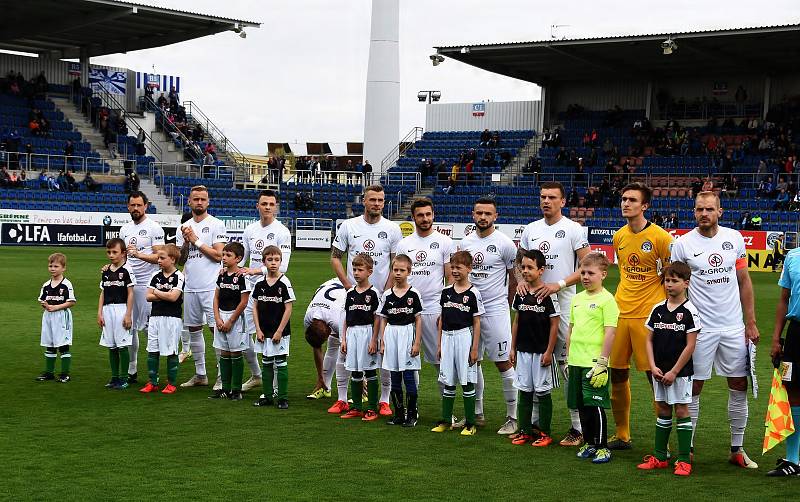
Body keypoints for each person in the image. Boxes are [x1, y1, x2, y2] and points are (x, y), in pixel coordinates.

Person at [670, 191, 760, 469]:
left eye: (710, 209)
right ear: (694, 212)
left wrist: (751, 321)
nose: (704, 213)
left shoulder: (734, 239)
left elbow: (744, 280)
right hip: (699, 329)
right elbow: (675, 288)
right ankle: (689, 448)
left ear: (720, 211)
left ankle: (737, 449)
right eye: (699, 209)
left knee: (738, 385)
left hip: (733, 327)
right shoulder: (682, 244)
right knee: (693, 386)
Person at [517, 181, 591, 445]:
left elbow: (588, 266)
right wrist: (522, 280)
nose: (546, 201)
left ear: (563, 201)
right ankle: (535, 426)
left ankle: (579, 427)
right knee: (536, 360)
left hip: (565, 304)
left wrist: (557, 285)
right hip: (534, 307)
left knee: (567, 365)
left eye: (552, 197)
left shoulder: (573, 229)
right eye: (543, 196)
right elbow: (520, 262)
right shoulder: (531, 229)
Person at [609, 183, 673, 450]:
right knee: (616, 374)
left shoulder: (661, 238)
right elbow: (625, 272)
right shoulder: (619, 236)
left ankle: (664, 442)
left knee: (654, 377)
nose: (626, 203)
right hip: (620, 313)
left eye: (632, 200)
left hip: (649, 318)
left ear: (645, 206)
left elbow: (670, 276)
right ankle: (622, 434)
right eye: (623, 199)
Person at [331, 184, 402, 415]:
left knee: (382, 350)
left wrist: (387, 293)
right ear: (364, 201)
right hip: (353, 298)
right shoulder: (349, 226)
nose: (377, 204)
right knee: (345, 348)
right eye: (373, 200)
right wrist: (349, 286)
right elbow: (335, 258)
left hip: (382, 298)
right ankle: (343, 398)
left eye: (381, 200)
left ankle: (383, 400)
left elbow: (395, 263)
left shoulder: (392, 229)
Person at [458, 197, 519, 434]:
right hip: (470, 310)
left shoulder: (504, 244)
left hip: (495, 310)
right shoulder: (465, 242)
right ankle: (477, 413)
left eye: (488, 214)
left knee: (503, 362)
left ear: (496, 216)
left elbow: (514, 276)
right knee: (473, 360)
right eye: (479, 213)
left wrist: (515, 306)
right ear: (473, 214)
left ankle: (513, 417)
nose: (483, 217)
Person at [637, 262, 700, 476]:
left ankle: (684, 460)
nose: (669, 285)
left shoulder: (690, 311)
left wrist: (674, 371)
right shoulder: (658, 309)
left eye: (674, 281)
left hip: (679, 372)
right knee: (663, 409)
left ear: (686, 283)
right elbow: (648, 339)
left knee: (681, 409)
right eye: (667, 280)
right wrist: (652, 365)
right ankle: (660, 456)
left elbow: (691, 344)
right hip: (659, 371)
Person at [396, 198, 456, 395]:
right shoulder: (404, 244)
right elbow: (398, 275)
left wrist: (447, 308)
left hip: (433, 308)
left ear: (433, 215)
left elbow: (450, 277)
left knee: (440, 361)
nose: (425, 218)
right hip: (407, 309)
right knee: (408, 360)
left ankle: (448, 412)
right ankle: (412, 406)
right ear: (413, 217)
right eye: (420, 215)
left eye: (428, 214)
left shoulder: (445, 242)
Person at [567, 252, 618, 464]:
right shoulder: (577, 298)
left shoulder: (607, 300)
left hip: (594, 363)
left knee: (594, 405)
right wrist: (568, 356)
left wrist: (603, 361)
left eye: (591, 273)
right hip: (576, 361)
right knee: (580, 405)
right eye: (582, 272)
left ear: (603, 274)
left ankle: (602, 446)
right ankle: (589, 442)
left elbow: (610, 332)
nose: (585, 276)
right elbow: (571, 329)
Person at [239, 190, 292, 393]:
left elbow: (283, 266)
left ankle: (277, 388)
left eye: (271, 204)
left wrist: (256, 270)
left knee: (274, 339)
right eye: (264, 203)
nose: (267, 207)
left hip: (273, 292)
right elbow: (242, 258)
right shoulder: (250, 229)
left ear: (276, 207)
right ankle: (256, 375)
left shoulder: (282, 231)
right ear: (257, 206)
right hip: (250, 291)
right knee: (245, 339)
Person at [177, 185, 228, 388]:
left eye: (203, 199)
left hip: (211, 286)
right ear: (189, 202)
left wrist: (196, 241)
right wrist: (186, 244)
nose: (199, 202)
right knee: (194, 329)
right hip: (190, 285)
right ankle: (200, 374)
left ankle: (222, 375)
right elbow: (180, 261)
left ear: (208, 202)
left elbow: (218, 256)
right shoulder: (183, 227)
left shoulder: (216, 224)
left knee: (215, 329)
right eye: (195, 199)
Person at [508, 249, 561, 447]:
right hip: (522, 350)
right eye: (523, 267)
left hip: (541, 352)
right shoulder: (520, 294)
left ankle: (545, 432)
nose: (526, 271)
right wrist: (512, 348)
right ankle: (525, 430)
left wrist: (549, 351)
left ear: (541, 270)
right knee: (525, 390)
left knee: (542, 392)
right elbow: (516, 321)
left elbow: (555, 325)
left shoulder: (548, 295)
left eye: (530, 267)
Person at [430, 250, 484, 436]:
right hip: (446, 337)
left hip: (464, 337)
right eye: (452, 267)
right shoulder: (445, 292)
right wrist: (439, 345)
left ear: (469, 269)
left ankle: (470, 423)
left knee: (467, 380)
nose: (454, 270)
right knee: (448, 380)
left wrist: (475, 348)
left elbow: (477, 322)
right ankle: (446, 420)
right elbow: (442, 319)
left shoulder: (473, 293)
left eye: (458, 267)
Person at [118, 192, 165, 383]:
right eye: (132, 205)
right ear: (128, 207)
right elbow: (121, 256)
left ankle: (155, 372)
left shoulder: (154, 228)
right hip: (128, 283)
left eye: (139, 205)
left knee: (148, 328)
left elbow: (160, 256)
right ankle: (132, 370)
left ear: (146, 205)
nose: (136, 208)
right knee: (129, 327)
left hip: (147, 284)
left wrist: (139, 255)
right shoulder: (124, 229)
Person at [377, 255, 424, 427]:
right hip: (391, 335)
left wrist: (417, 342)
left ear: (409, 272)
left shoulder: (414, 294)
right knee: (394, 375)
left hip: (407, 334)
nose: (398, 273)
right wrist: (382, 341)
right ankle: (398, 413)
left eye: (402, 270)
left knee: (409, 375)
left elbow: (419, 319)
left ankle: (412, 414)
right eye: (395, 270)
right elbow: (383, 318)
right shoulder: (387, 295)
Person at [769, 244, 800, 476]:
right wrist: (776, 339)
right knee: (792, 391)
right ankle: (793, 460)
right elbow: (783, 299)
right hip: (796, 334)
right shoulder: (793, 256)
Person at [252, 246, 295, 409]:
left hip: (280, 332)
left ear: (281, 262)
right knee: (267, 362)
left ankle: (283, 397)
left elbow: (289, 308)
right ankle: (268, 396)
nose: (273, 263)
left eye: (277, 260)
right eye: (269, 260)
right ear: (264, 262)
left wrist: (279, 331)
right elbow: (254, 307)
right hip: (264, 330)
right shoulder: (259, 283)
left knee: (281, 362)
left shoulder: (284, 282)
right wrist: (258, 329)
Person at [339, 253, 382, 421]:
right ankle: (356, 407)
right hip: (352, 333)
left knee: (370, 370)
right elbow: (345, 317)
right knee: (355, 370)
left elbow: (377, 317)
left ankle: (372, 408)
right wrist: (344, 338)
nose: (356, 273)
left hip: (367, 332)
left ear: (369, 272)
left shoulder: (374, 293)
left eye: (360, 270)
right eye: (354, 269)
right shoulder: (350, 293)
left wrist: (374, 339)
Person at [140, 244, 185, 394]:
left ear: (172, 259)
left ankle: (171, 383)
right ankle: (152, 382)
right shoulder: (155, 275)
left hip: (172, 318)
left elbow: (174, 298)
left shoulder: (179, 276)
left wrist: (157, 293)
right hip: (155, 318)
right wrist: (165, 293)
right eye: (158, 257)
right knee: (152, 350)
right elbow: (148, 296)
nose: (158, 260)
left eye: (162, 258)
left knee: (171, 351)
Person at [210, 242, 250, 401]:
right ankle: (224, 388)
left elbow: (244, 302)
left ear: (238, 258)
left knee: (235, 353)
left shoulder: (242, 277)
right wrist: (217, 318)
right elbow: (215, 297)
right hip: (221, 316)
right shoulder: (221, 274)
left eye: (228, 255)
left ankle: (236, 390)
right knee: (224, 353)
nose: (224, 258)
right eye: (223, 255)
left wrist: (230, 321)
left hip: (236, 319)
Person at [97, 239, 136, 390]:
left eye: (115, 252)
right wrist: (99, 312)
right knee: (111, 345)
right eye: (109, 252)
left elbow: (131, 293)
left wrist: (128, 314)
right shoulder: (106, 271)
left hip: (121, 309)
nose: (111, 255)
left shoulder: (127, 270)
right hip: (107, 310)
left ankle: (124, 378)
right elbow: (102, 292)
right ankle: (114, 377)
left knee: (122, 345)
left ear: (123, 253)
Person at [303, 278, 348, 406]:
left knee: (346, 346)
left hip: (348, 285)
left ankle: (364, 388)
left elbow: (352, 349)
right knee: (333, 345)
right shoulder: (308, 319)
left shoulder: (336, 321)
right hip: (331, 296)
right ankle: (324, 386)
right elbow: (316, 347)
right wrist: (319, 377)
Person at [36, 253, 76, 383]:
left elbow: (71, 302)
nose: (52, 268)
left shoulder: (66, 284)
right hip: (48, 316)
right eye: (50, 266)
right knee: (50, 344)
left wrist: (56, 307)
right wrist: (45, 305)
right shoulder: (46, 285)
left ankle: (65, 374)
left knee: (63, 344)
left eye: (56, 266)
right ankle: (49, 372)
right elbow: (42, 300)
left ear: (63, 268)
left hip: (61, 316)